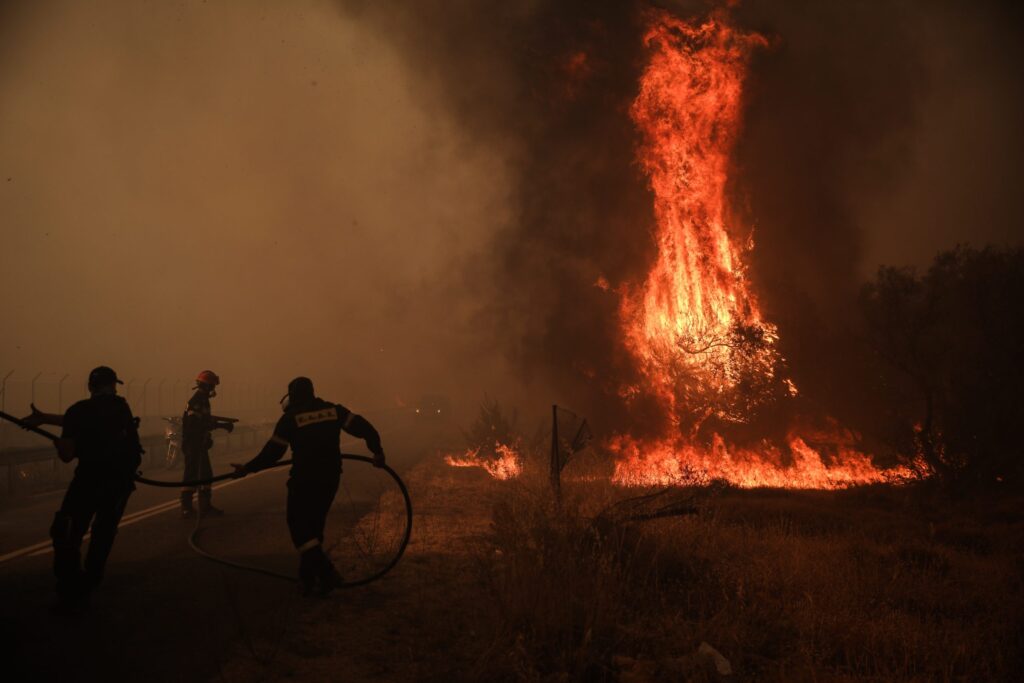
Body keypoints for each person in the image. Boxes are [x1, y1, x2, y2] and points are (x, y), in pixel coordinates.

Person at [231, 377, 385, 596]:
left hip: (304, 480)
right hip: (330, 478)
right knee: (314, 529)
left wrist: (247, 468)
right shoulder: (333, 411)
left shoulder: (290, 419)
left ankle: (326, 573)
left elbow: (272, 453)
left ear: (292, 396)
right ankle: (309, 582)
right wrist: (377, 451)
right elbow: (365, 428)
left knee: (299, 529)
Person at [23, 366, 142, 613]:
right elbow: (92, 421)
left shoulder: (78, 410)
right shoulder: (121, 408)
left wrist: (59, 441)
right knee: (103, 535)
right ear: (113, 386)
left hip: (87, 481)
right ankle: (89, 583)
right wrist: (46, 418)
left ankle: (71, 588)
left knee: (67, 532)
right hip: (118, 483)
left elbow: (68, 453)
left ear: (90, 387)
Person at [180, 370, 234, 518]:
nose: (213, 389)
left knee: (205, 475)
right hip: (193, 445)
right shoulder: (197, 401)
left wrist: (221, 425)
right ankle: (187, 507)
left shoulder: (203, 400)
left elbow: (205, 421)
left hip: (198, 444)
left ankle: (204, 506)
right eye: (212, 386)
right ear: (206, 386)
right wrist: (220, 426)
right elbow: (194, 424)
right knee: (192, 475)